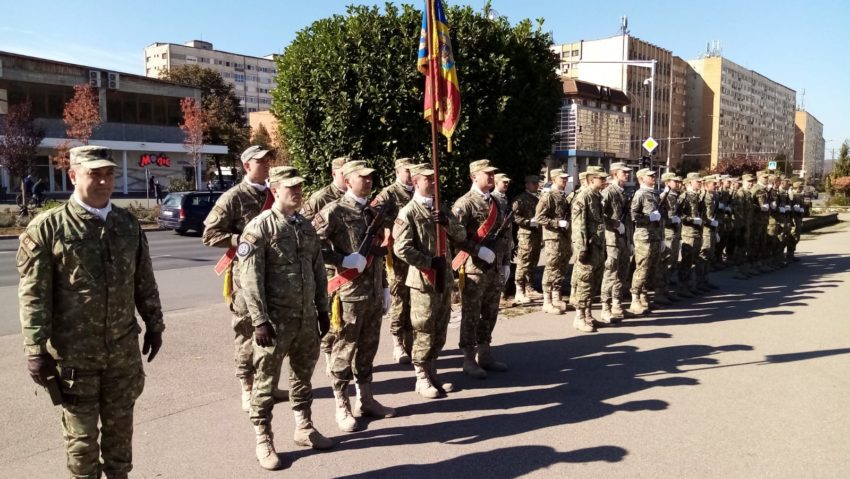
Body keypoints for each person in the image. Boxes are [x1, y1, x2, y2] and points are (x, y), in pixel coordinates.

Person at [18, 145, 164, 479]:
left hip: (121, 358)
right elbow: (33, 294)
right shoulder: (49, 228)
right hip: (74, 360)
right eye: (93, 174)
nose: (103, 181)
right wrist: (35, 349)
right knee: (82, 450)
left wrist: (155, 324)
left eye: (108, 174)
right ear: (73, 176)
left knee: (120, 446)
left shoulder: (127, 224)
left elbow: (144, 280)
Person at [238, 166, 333, 470]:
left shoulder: (305, 226)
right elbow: (250, 279)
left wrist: (322, 309)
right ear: (274, 189)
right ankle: (263, 439)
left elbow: (318, 270)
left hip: (305, 319)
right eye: (290, 187)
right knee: (265, 384)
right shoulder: (259, 227)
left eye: (299, 187)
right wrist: (259, 320)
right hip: (275, 323)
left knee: (302, 377)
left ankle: (304, 427)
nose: (297, 192)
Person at [202, 145, 287, 412]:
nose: (266, 165)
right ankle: (247, 387)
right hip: (246, 277)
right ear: (246, 166)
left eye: (268, 161)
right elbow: (210, 235)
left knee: (273, 330)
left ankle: (269, 384)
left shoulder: (275, 193)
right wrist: (242, 240)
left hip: (275, 274)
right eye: (260, 162)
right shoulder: (233, 197)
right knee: (247, 330)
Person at [314, 160, 395, 432]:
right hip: (347, 294)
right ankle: (341, 404)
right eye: (363, 178)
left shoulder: (372, 213)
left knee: (368, 348)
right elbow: (312, 247)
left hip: (371, 292)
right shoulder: (333, 211)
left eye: (371, 177)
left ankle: (367, 399)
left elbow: (377, 253)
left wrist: (384, 286)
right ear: (348, 181)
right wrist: (342, 259)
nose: (369, 181)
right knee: (343, 351)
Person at [393, 163, 468, 399]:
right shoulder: (408, 212)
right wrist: (427, 261)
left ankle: (433, 370)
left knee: (440, 327)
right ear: (416, 182)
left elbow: (461, 235)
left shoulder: (441, 209)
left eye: (435, 179)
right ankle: (421, 376)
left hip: (444, 279)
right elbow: (401, 249)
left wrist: (446, 222)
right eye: (429, 180)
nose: (434, 183)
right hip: (423, 280)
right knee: (423, 328)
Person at [452, 159, 508, 379]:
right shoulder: (464, 203)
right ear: (474, 176)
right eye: (488, 174)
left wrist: (504, 263)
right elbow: (456, 237)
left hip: (494, 267)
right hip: (475, 268)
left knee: (490, 312)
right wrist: (477, 251)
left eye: (493, 173)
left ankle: (485, 354)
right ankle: (468, 358)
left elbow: (503, 235)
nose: (492, 177)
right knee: (471, 315)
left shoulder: (495, 202)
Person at [301, 156, 350, 375]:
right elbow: (307, 232)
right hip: (330, 268)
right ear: (334, 174)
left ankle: (346, 357)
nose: (347, 177)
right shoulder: (321, 198)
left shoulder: (356, 198)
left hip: (354, 269)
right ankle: (330, 356)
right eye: (343, 173)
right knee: (332, 315)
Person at [373, 158, 416, 365]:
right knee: (399, 297)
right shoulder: (389, 193)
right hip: (397, 254)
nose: (409, 174)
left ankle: (411, 341)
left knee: (414, 296)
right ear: (397, 171)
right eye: (406, 170)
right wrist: (388, 230)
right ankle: (397, 343)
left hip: (416, 252)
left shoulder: (417, 190)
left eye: (411, 170)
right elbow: (372, 214)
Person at [570, 166, 608, 332]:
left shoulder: (596, 196)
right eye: (601, 178)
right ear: (592, 179)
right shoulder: (584, 196)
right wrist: (582, 249)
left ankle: (588, 315)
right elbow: (579, 225)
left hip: (597, 246)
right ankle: (579, 317)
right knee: (584, 281)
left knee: (593, 282)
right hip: (587, 247)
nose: (604, 181)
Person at [534, 169, 571, 315]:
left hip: (563, 237)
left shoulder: (563, 196)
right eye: (562, 178)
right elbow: (539, 217)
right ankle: (547, 301)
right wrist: (557, 223)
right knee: (551, 267)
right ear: (554, 179)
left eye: (566, 178)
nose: (565, 181)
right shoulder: (548, 196)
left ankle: (556, 296)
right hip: (552, 237)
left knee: (561, 266)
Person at [600, 163, 633, 322]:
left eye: (628, 172)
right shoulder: (608, 192)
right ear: (614, 174)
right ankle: (605, 308)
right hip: (612, 239)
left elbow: (628, 219)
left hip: (623, 238)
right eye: (624, 172)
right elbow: (599, 215)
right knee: (611, 273)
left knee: (622, 272)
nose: (627, 174)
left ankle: (617, 304)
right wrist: (615, 224)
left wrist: (630, 238)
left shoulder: (623, 192)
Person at [629, 168, 662, 315]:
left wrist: (660, 236)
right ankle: (635, 299)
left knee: (651, 268)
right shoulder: (640, 194)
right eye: (651, 176)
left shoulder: (654, 194)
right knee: (642, 268)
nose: (654, 177)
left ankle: (644, 296)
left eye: (654, 175)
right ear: (642, 179)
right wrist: (649, 218)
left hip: (654, 236)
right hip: (643, 236)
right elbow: (633, 215)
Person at [512, 175, 543, 305]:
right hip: (525, 235)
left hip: (536, 235)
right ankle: (519, 291)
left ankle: (529, 287)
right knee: (523, 262)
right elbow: (514, 217)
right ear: (527, 184)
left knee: (533, 261)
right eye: (533, 183)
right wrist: (528, 222)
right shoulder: (520, 199)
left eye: (537, 183)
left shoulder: (536, 199)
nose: (536, 186)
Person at [657, 172, 684, 300]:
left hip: (675, 233)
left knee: (672, 263)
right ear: (667, 182)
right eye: (675, 181)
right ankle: (660, 293)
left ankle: (666, 291)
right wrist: (671, 220)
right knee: (665, 264)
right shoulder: (664, 196)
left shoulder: (675, 196)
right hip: (668, 233)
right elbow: (661, 218)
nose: (678, 183)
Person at [678, 173, 705, 295]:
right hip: (688, 233)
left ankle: (692, 284)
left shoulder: (698, 196)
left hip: (698, 232)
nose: (699, 183)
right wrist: (691, 220)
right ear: (689, 183)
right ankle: (683, 287)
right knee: (687, 261)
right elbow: (679, 214)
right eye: (697, 181)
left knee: (694, 260)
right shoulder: (685, 196)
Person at [492, 173, 515, 304]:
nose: (506, 184)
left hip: (506, 238)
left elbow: (508, 222)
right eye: (503, 182)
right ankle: (498, 297)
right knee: (498, 267)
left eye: (507, 182)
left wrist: (511, 238)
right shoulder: (493, 198)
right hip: (498, 240)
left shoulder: (505, 198)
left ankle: (502, 294)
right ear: (496, 183)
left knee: (506, 267)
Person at [697, 175, 720, 291]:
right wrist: (709, 222)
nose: (716, 185)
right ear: (707, 185)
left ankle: (705, 280)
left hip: (711, 229)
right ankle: (699, 281)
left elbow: (713, 215)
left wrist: (716, 231)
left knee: (709, 255)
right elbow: (701, 215)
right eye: (714, 184)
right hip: (705, 230)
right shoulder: (703, 196)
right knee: (703, 255)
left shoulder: (714, 196)